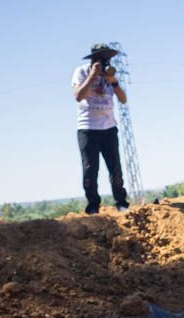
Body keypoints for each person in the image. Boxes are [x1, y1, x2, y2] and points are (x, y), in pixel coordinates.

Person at [72, 43, 129, 214]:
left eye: (108, 59)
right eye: (103, 59)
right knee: (90, 170)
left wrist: (114, 82)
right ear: (94, 59)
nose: (106, 62)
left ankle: (121, 203)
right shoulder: (81, 72)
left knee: (115, 169)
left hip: (109, 128)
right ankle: (93, 207)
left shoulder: (110, 75)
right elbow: (78, 96)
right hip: (87, 128)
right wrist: (91, 76)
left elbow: (123, 99)